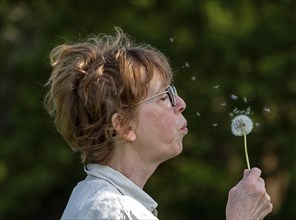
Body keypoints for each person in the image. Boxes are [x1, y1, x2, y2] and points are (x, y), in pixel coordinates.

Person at [44, 27, 273, 220]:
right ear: (123, 125)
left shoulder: (111, 203)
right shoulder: (111, 210)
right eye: (164, 97)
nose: (181, 103)